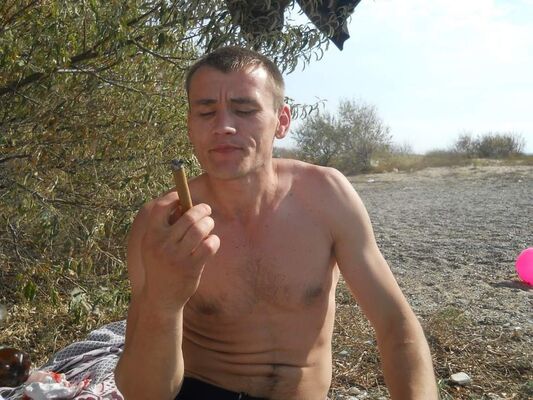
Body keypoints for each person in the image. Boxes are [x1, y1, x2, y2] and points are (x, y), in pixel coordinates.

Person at [114, 46, 438, 400]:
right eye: (206, 112)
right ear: (190, 125)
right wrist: (163, 301)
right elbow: (144, 393)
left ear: (281, 121)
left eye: (245, 110)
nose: (223, 126)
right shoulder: (163, 225)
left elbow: (395, 324)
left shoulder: (326, 196)